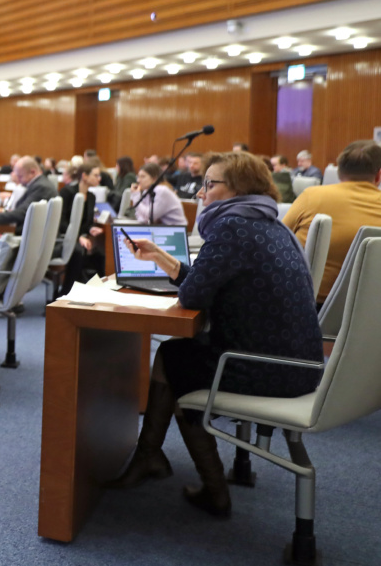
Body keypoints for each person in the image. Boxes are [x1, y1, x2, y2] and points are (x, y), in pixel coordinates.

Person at [107, 152, 322, 518]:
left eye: (209, 184)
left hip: (268, 367)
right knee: (176, 355)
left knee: (176, 361)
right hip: (300, 363)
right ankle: (150, 456)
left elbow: (193, 296)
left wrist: (175, 271)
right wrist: (160, 257)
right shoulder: (267, 222)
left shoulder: (232, 226)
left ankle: (212, 489)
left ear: (238, 188)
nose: (200, 193)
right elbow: (206, 281)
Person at [283, 140, 381, 304]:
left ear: (339, 171)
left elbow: (278, 241)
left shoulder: (312, 196)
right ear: (378, 175)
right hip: (370, 309)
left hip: (304, 304)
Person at [56, 162, 105, 294]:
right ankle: (67, 292)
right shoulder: (67, 192)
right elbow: (61, 222)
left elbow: (87, 223)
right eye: (96, 175)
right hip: (64, 236)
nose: (99, 178)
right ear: (84, 176)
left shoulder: (91, 197)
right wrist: (78, 237)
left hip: (80, 237)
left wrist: (91, 229)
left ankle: (95, 293)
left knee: (100, 254)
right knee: (78, 251)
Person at [0, 157, 57, 232]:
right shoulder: (40, 184)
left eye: (20, 176)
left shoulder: (41, 187)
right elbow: (21, 209)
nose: (19, 180)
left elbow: (22, 213)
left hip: (27, 234)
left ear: (32, 172)